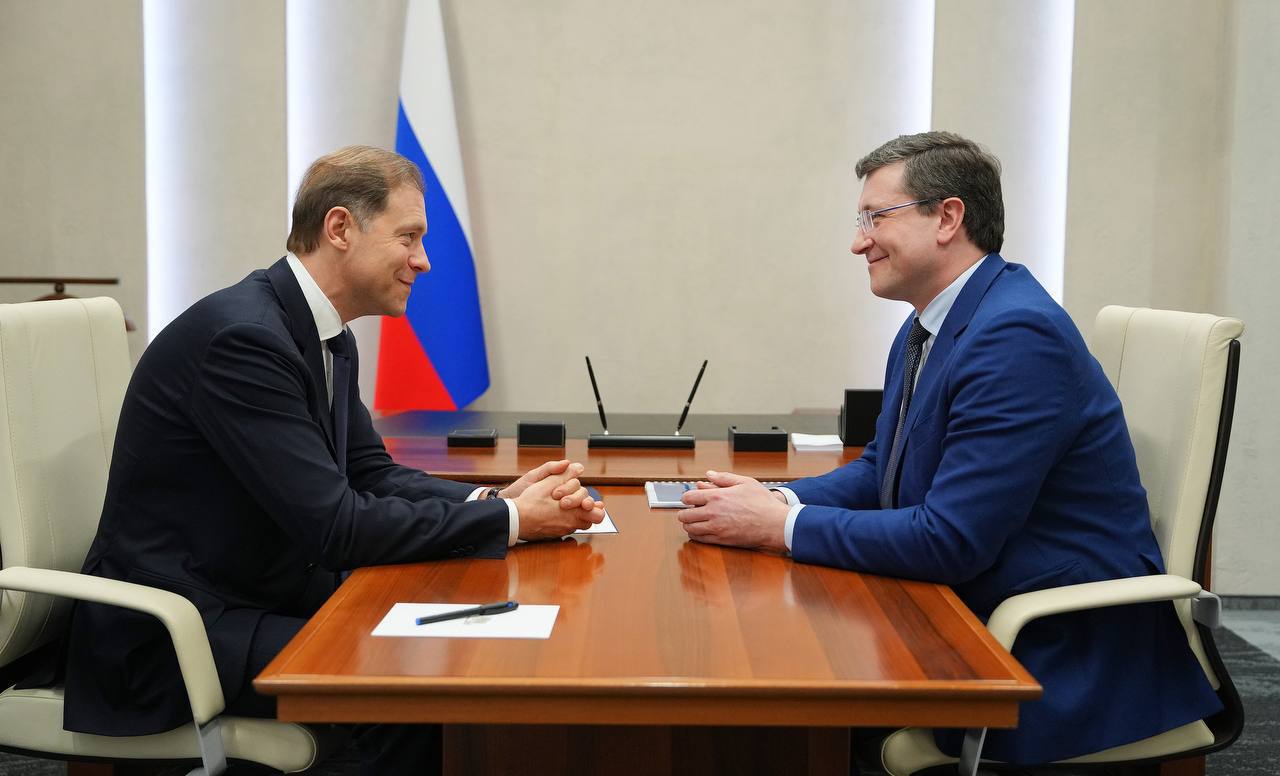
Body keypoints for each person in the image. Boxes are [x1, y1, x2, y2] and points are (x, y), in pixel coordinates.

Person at [675, 132, 1222, 764]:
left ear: (948, 218)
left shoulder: (1017, 334)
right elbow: (881, 471)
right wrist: (773, 501)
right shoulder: (929, 323)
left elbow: (950, 540)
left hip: (1053, 653)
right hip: (969, 606)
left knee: (777, 688)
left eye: (876, 217)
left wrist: (779, 528)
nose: (858, 242)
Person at [60, 146, 604, 773]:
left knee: (453, 648)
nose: (424, 260)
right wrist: (512, 522)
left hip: (259, 593)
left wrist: (493, 500)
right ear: (341, 228)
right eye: (409, 237)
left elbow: (371, 473)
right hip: (175, 631)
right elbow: (336, 526)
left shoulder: (325, 331)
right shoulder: (245, 340)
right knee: (418, 688)